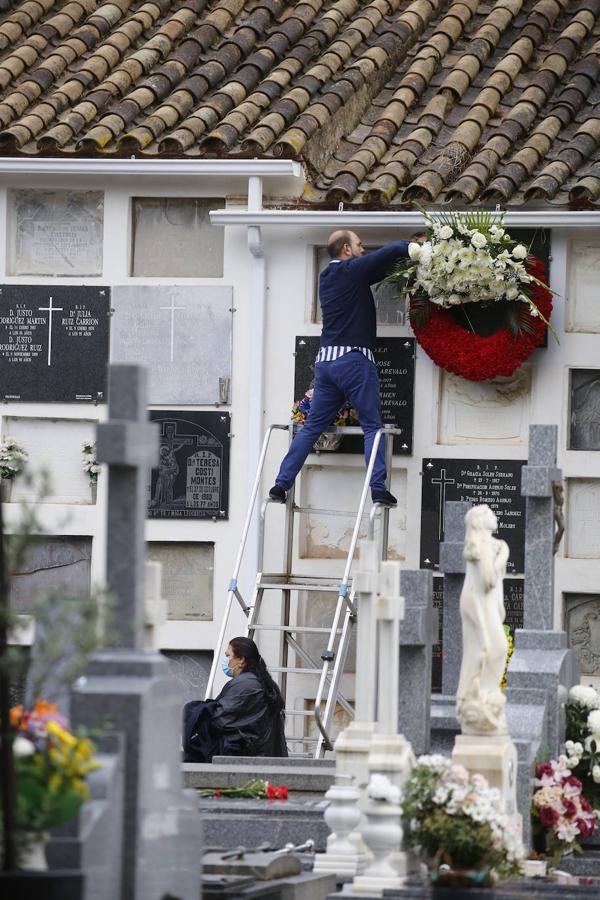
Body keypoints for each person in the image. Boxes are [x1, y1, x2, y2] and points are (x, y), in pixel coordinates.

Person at [269, 230, 409, 507]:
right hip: (354, 361)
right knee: (373, 427)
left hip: (326, 364)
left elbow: (374, 272)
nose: (363, 248)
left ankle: (280, 485)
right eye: (359, 244)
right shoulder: (352, 269)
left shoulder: (328, 276)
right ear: (346, 249)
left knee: (310, 429)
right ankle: (378, 488)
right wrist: (414, 247)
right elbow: (393, 249)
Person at [182, 636, 288, 762]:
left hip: (251, 758)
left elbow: (221, 719)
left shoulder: (247, 684)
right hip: (255, 755)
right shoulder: (251, 681)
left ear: (241, 660)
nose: (225, 660)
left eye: (228, 656)